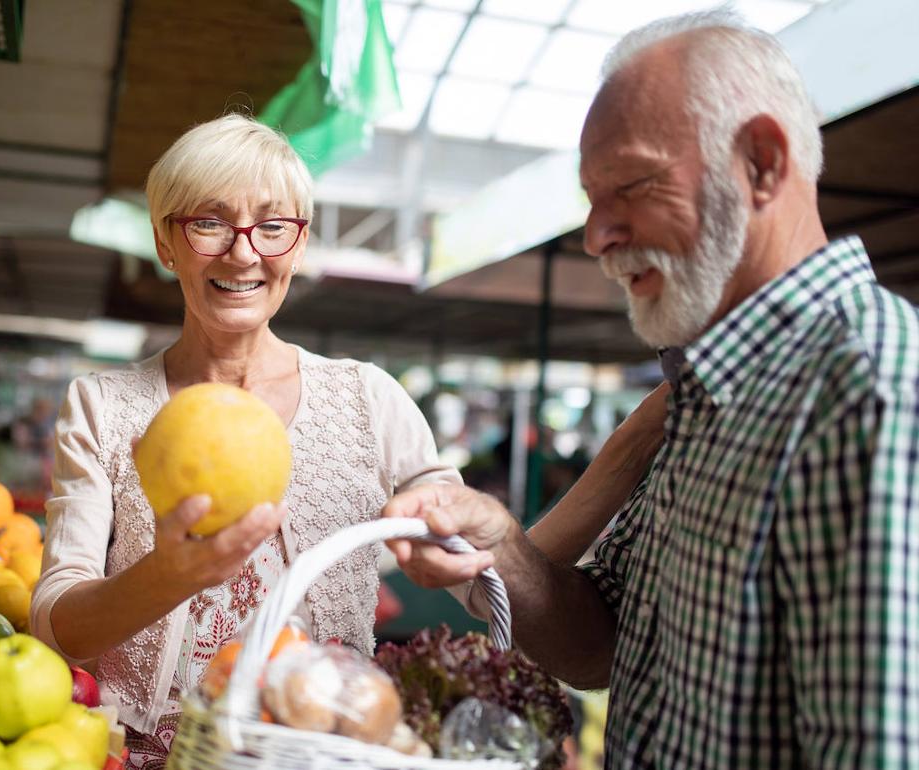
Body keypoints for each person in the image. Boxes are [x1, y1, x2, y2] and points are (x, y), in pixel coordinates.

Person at [385, 10, 919, 769]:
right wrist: (502, 544)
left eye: (631, 185)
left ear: (763, 162)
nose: (597, 235)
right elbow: (601, 645)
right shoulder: (706, 392)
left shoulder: (868, 389)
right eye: (590, 199)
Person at [30, 114, 465, 767]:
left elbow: (471, 564)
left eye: (271, 224)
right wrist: (165, 577)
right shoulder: (103, 405)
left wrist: (460, 535)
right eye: (208, 222)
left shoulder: (371, 400)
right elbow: (55, 623)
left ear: (299, 242)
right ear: (166, 242)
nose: (243, 252)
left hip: (320, 754)